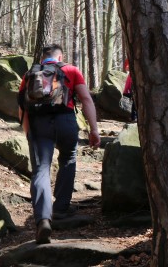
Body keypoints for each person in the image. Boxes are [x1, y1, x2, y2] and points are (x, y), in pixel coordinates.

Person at [18, 44, 100, 244]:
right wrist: (94, 129)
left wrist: (28, 133)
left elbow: (23, 107)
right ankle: (61, 207)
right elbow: (86, 99)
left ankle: (43, 220)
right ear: (60, 57)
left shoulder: (30, 74)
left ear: (43, 58)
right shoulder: (71, 70)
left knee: (41, 170)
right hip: (66, 121)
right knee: (68, 158)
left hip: (39, 125)